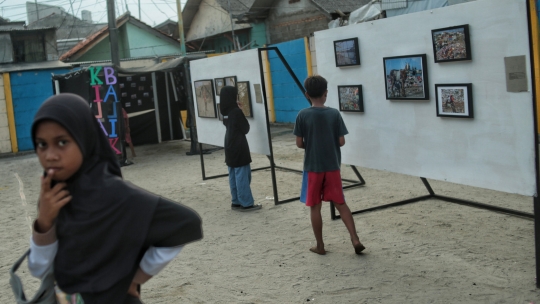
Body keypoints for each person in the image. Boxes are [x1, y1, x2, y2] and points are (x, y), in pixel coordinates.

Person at [27, 93, 203, 303]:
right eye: (42, 144)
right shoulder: (53, 196)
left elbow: (185, 223)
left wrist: (137, 277)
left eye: (62, 142)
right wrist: (44, 222)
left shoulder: (116, 196)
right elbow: (39, 270)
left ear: (85, 138)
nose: (50, 155)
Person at [293, 75, 365, 255]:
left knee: (315, 206)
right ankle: (355, 239)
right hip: (332, 166)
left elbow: (299, 143)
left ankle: (320, 245)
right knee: (341, 203)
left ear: (307, 94)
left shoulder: (302, 115)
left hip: (313, 167)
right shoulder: (334, 114)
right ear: (326, 93)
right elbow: (341, 142)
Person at [219, 86, 261, 212]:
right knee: (242, 174)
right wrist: (240, 110)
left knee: (233, 174)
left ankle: (236, 201)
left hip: (229, 144)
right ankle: (246, 203)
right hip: (239, 145)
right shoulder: (236, 112)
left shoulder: (225, 112)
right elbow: (246, 128)